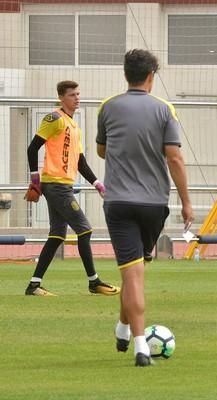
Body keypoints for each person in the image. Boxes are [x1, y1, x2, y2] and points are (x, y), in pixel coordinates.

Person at [96, 49, 193, 367]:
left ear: (127, 74)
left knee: (132, 271)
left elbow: (101, 150)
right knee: (135, 271)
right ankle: (140, 346)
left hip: (119, 202)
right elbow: (174, 157)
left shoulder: (108, 107)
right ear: (152, 75)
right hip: (154, 203)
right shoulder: (164, 109)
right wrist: (187, 201)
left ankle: (124, 328)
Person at [24, 80, 120, 297]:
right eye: (72, 95)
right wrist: (35, 179)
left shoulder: (74, 125)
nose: (77, 98)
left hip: (63, 185)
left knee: (57, 235)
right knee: (84, 229)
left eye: (78, 94)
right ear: (61, 98)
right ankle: (94, 282)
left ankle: (34, 285)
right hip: (56, 185)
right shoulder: (54, 119)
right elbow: (32, 148)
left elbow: (80, 162)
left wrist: (98, 184)